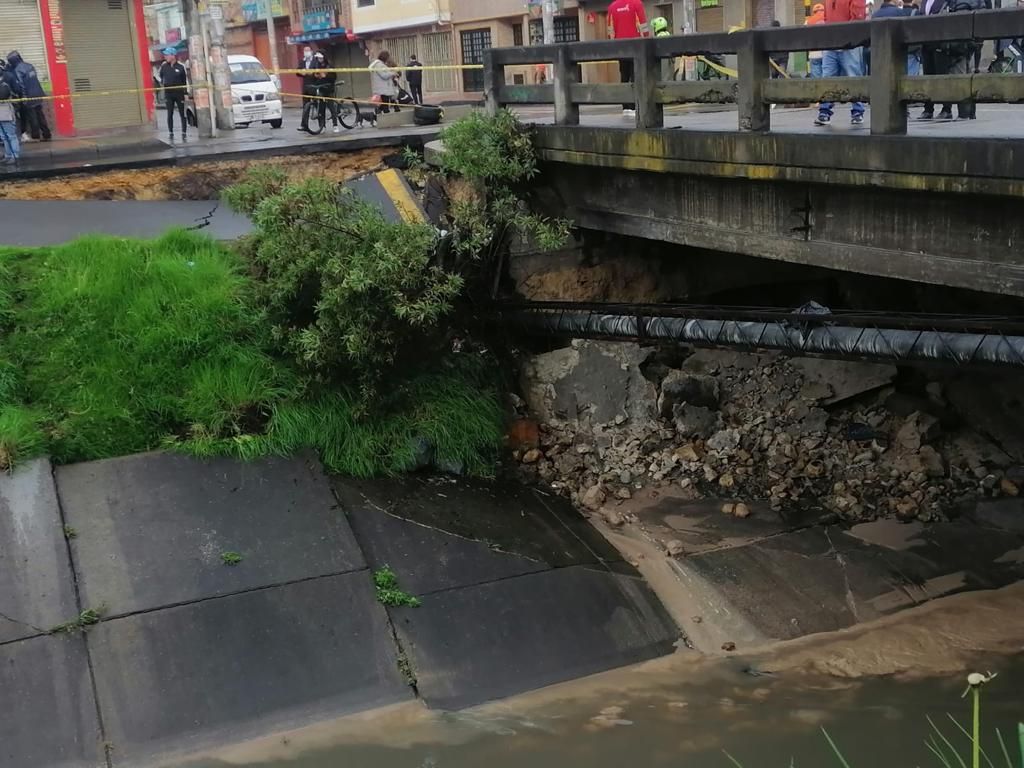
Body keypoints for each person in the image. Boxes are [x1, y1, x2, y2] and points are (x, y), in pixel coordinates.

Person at [813, 0, 867, 126]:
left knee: (853, 77)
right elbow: (826, 17)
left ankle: (857, 111)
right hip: (831, 42)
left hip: (849, 44)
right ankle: (825, 111)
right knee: (827, 78)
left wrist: (849, 39)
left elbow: (858, 18)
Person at [607, 0, 648, 117]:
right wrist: (646, 41)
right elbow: (643, 24)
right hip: (636, 46)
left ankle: (625, 107)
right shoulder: (637, 4)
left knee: (624, 76)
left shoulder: (612, 7)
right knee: (636, 76)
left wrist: (613, 46)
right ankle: (635, 105)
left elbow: (610, 30)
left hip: (620, 47)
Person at [6, 51, 50, 142]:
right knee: (40, 115)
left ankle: (36, 136)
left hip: (29, 96)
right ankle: (47, 134)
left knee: (32, 117)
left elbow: (21, 85)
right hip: (38, 94)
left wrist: (24, 97)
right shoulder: (30, 66)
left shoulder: (17, 69)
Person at [159, 47, 188, 142]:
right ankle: (171, 132)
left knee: (182, 113)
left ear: (173, 55)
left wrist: (185, 92)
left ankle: (184, 132)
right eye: (165, 55)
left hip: (179, 93)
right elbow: (161, 77)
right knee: (169, 113)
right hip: (169, 93)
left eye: (167, 55)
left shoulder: (180, 66)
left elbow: (184, 81)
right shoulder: (164, 66)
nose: (165, 56)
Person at [309, 50, 341, 133]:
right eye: (318, 58)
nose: (319, 59)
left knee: (331, 106)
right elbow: (312, 76)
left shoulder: (329, 65)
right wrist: (315, 75)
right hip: (320, 88)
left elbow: (334, 77)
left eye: (320, 57)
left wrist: (325, 76)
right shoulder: (316, 65)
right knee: (321, 108)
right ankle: (322, 126)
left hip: (328, 88)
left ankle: (335, 125)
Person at [298, 45, 318, 132]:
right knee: (306, 107)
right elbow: (297, 71)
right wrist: (301, 72)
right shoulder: (302, 61)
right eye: (305, 51)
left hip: (315, 85)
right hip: (306, 87)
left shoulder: (316, 60)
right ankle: (303, 125)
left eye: (308, 50)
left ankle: (322, 124)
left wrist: (312, 73)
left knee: (317, 105)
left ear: (311, 51)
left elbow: (319, 71)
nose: (306, 52)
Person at [0, 80, 19, 166]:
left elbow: (3, 96)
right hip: (2, 115)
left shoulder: (4, 86)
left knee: (11, 136)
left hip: (6, 114)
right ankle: (8, 155)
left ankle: (14, 155)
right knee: (4, 137)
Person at [806, 3, 826, 78]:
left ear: (814, 12)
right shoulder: (828, 19)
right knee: (829, 78)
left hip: (814, 54)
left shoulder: (808, 21)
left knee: (817, 81)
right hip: (827, 54)